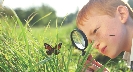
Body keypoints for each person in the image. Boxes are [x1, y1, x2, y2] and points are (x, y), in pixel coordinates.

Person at [76, 0, 133, 71]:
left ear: (122, 14)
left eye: (95, 31)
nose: (94, 45)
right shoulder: (130, 56)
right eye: (90, 41)